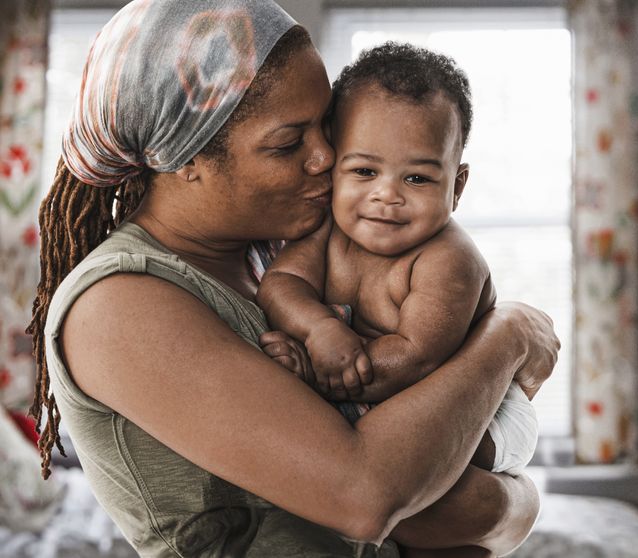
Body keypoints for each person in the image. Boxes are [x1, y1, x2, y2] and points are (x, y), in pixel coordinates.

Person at [26, 2, 560, 557]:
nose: (327, 158)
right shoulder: (118, 304)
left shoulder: (278, 259)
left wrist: (507, 505)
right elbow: (368, 498)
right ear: (186, 159)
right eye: (288, 142)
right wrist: (509, 335)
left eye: (326, 127)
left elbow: (466, 499)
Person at [256, 43, 539, 480]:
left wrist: (314, 372)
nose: (387, 195)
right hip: (373, 395)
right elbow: (281, 282)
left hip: (485, 412)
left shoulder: (449, 260)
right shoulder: (327, 230)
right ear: (333, 166)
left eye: (417, 178)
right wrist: (319, 327)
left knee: (435, 477)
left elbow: (417, 358)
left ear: (457, 187)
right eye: (365, 172)